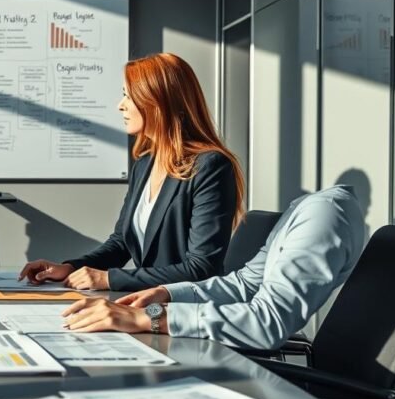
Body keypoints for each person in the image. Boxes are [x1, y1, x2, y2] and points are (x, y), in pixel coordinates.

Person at [19, 53, 244, 291]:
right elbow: (122, 243)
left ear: (157, 102)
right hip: (142, 302)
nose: (120, 105)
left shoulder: (210, 166)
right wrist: (71, 267)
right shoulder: (145, 164)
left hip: (181, 309)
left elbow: (201, 268)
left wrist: (109, 279)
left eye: (128, 95)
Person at [60, 185, 365, 351]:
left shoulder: (323, 216)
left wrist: (151, 317)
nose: (120, 105)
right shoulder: (305, 208)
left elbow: (268, 323)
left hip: (270, 382)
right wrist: (166, 293)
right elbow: (244, 284)